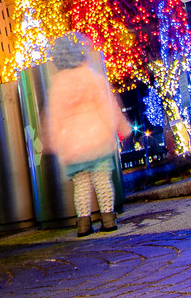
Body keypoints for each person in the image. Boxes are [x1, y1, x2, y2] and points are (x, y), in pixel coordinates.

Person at [43, 32, 131, 236]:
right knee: (102, 181)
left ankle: (83, 223)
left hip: (73, 147)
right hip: (98, 141)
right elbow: (108, 108)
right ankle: (108, 219)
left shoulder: (57, 86)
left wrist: (53, 142)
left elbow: (54, 117)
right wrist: (121, 130)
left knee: (81, 186)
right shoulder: (93, 78)